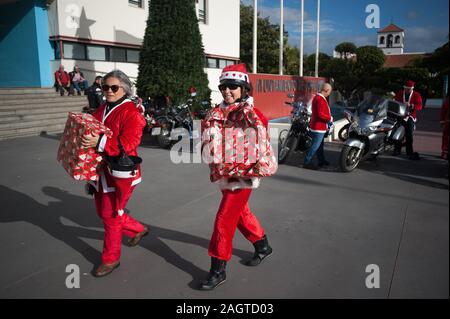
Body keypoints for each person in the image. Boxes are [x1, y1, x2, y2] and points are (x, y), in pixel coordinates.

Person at [200, 63, 278, 290]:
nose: (227, 91)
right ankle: (262, 246)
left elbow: (260, 143)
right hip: (223, 172)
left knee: (224, 219)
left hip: (244, 174)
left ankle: (218, 269)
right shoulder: (216, 111)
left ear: (244, 89)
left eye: (233, 86)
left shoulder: (252, 113)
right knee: (240, 213)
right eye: (223, 86)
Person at [81, 70, 148, 277]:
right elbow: (91, 127)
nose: (108, 91)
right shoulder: (102, 108)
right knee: (104, 212)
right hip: (102, 171)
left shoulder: (132, 113)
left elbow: (129, 145)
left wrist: (98, 142)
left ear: (125, 89)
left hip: (121, 173)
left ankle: (110, 259)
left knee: (111, 215)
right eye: (105, 87)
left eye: (114, 87)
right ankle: (137, 229)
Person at [303, 83, 333, 170]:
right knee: (315, 146)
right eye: (329, 91)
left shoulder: (318, 97)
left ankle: (321, 160)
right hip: (318, 127)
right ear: (326, 90)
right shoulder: (320, 99)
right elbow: (321, 114)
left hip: (318, 126)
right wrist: (329, 118)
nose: (329, 93)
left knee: (319, 145)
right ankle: (307, 162)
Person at [393, 80, 423, 160]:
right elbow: (395, 101)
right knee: (398, 133)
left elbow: (420, 106)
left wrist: (411, 105)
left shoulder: (416, 95)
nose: (407, 90)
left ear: (412, 89)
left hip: (410, 116)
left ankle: (409, 152)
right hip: (400, 115)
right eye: (406, 88)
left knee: (409, 135)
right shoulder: (400, 93)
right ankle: (397, 150)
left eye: (409, 89)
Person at [440, 95, 449, 160]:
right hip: (448, 122)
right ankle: (445, 152)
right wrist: (442, 121)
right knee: (446, 137)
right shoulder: (447, 101)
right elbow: (443, 111)